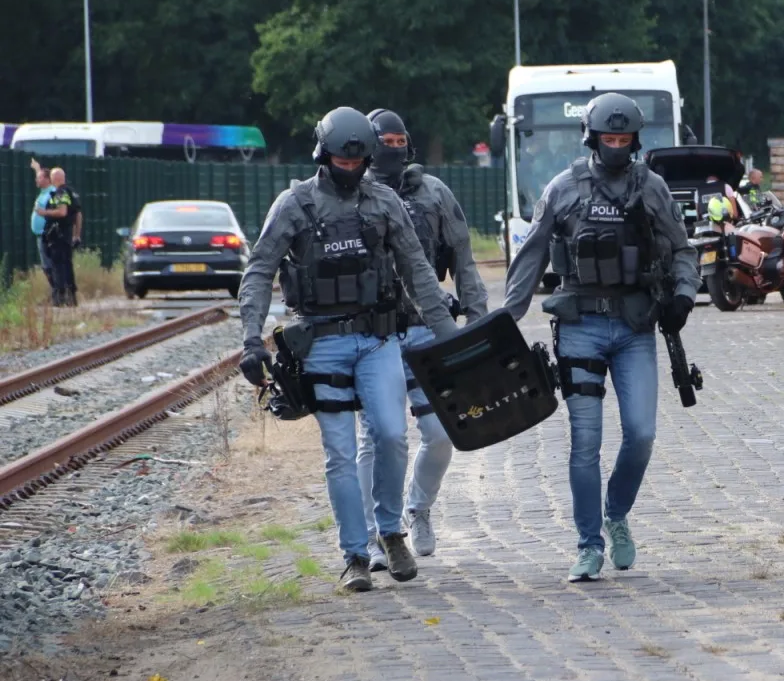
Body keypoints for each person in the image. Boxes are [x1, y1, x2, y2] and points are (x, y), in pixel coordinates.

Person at [236, 106, 460, 593]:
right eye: (343, 161)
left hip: (378, 339)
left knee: (391, 435)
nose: (351, 169)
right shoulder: (294, 205)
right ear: (324, 155)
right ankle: (355, 555)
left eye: (359, 162)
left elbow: (418, 271)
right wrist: (251, 339)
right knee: (339, 452)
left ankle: (391, 531)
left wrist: (449, 336)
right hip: (321, 344)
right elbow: (259, 269)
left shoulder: (383, 202)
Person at [504, 92, 700, 582]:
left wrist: (683, 296)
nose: (616, 146)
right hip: (580, 327)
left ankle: (616, 513)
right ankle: (588, 544)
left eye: (624, 139)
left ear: (635, 141)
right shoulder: (562, 188)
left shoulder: (651, 187)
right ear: (592, 138)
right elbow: (531, 255)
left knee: (642, 433)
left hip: (635, 327)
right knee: (584, 442)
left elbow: (682, 249)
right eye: (608, 138)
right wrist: (504, 322)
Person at [355, 109, 489, 569]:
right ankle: (373, 535)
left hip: (427, 330)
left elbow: (463, 257)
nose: (393, 149)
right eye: (384, 141)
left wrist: (477, 317)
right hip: (374, 336)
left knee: (440, 433)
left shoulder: (434, 193)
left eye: (400, 141)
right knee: (375, 438)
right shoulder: (353, 195)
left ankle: (418, 507)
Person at [36, 167, 82, 307]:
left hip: (58, 236)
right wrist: (77, 235)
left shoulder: (60, 192)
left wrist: (44, 212)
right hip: (66, 235)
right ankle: (70, 296)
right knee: (67, 264)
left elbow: (62, 212)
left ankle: (60, 297)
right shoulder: (71, 192)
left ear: (54, 179)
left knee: (58, 266)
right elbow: (78, 215)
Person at [29, 163, 55, 288]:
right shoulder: (44, 192)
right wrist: (37, 169)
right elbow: (41, 178)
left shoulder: (52, 193)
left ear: (48, 180)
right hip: (40, 234)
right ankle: (56, 290)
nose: (36, 180)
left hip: (47, 235)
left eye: (39, 178)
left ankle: (57, 290)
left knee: (49, 265)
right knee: (46, 265)